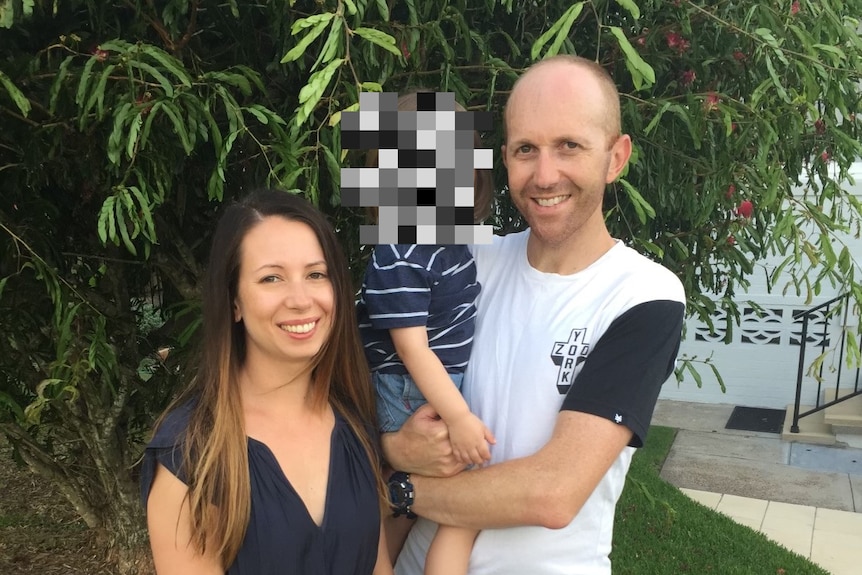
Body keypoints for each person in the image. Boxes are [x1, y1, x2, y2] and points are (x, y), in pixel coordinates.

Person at [382, 56, 687, 575]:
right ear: (505, 158)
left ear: (616, 157)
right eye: (526, 149)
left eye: (569, 145)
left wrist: (394, 487)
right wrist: (391, 446)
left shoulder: (644, 296)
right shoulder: (466, 262)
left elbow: (552, 492)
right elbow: (375, 384)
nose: (545, 176)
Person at [141, 189, 392, 575]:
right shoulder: (193, 453)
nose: (300, 298)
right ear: (235, 301)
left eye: (315, 274)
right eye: (271, 278)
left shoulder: (355, 424)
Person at [355, 91, 495, 575]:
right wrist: (458, 417)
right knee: (468, 490)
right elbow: (411, 348)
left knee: (420, 501)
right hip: (415, 390)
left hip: (432, 385)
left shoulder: (445, 241)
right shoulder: (399, 253)